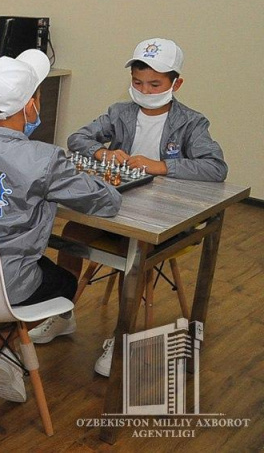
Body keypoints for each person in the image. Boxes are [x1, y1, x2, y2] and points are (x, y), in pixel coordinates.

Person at [33, 38, 228, 377]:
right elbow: (78, 139)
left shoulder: (192, 122)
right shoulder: (120, 112)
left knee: (138, 254)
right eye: (138, 83)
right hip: (116, 207)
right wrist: (103, 153)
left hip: (162, 218)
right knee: (72, 232)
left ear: (175, 83)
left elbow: (215, 167)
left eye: (155, 84)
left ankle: (120, 337)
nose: (144, 90)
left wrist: (161, 166)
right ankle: (63, 314)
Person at [0, 49, 121, 402]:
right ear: (31, 104)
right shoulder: (44, 159)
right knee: (65, 282)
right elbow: (106, 202)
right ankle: (0, 344)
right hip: (10, 285)